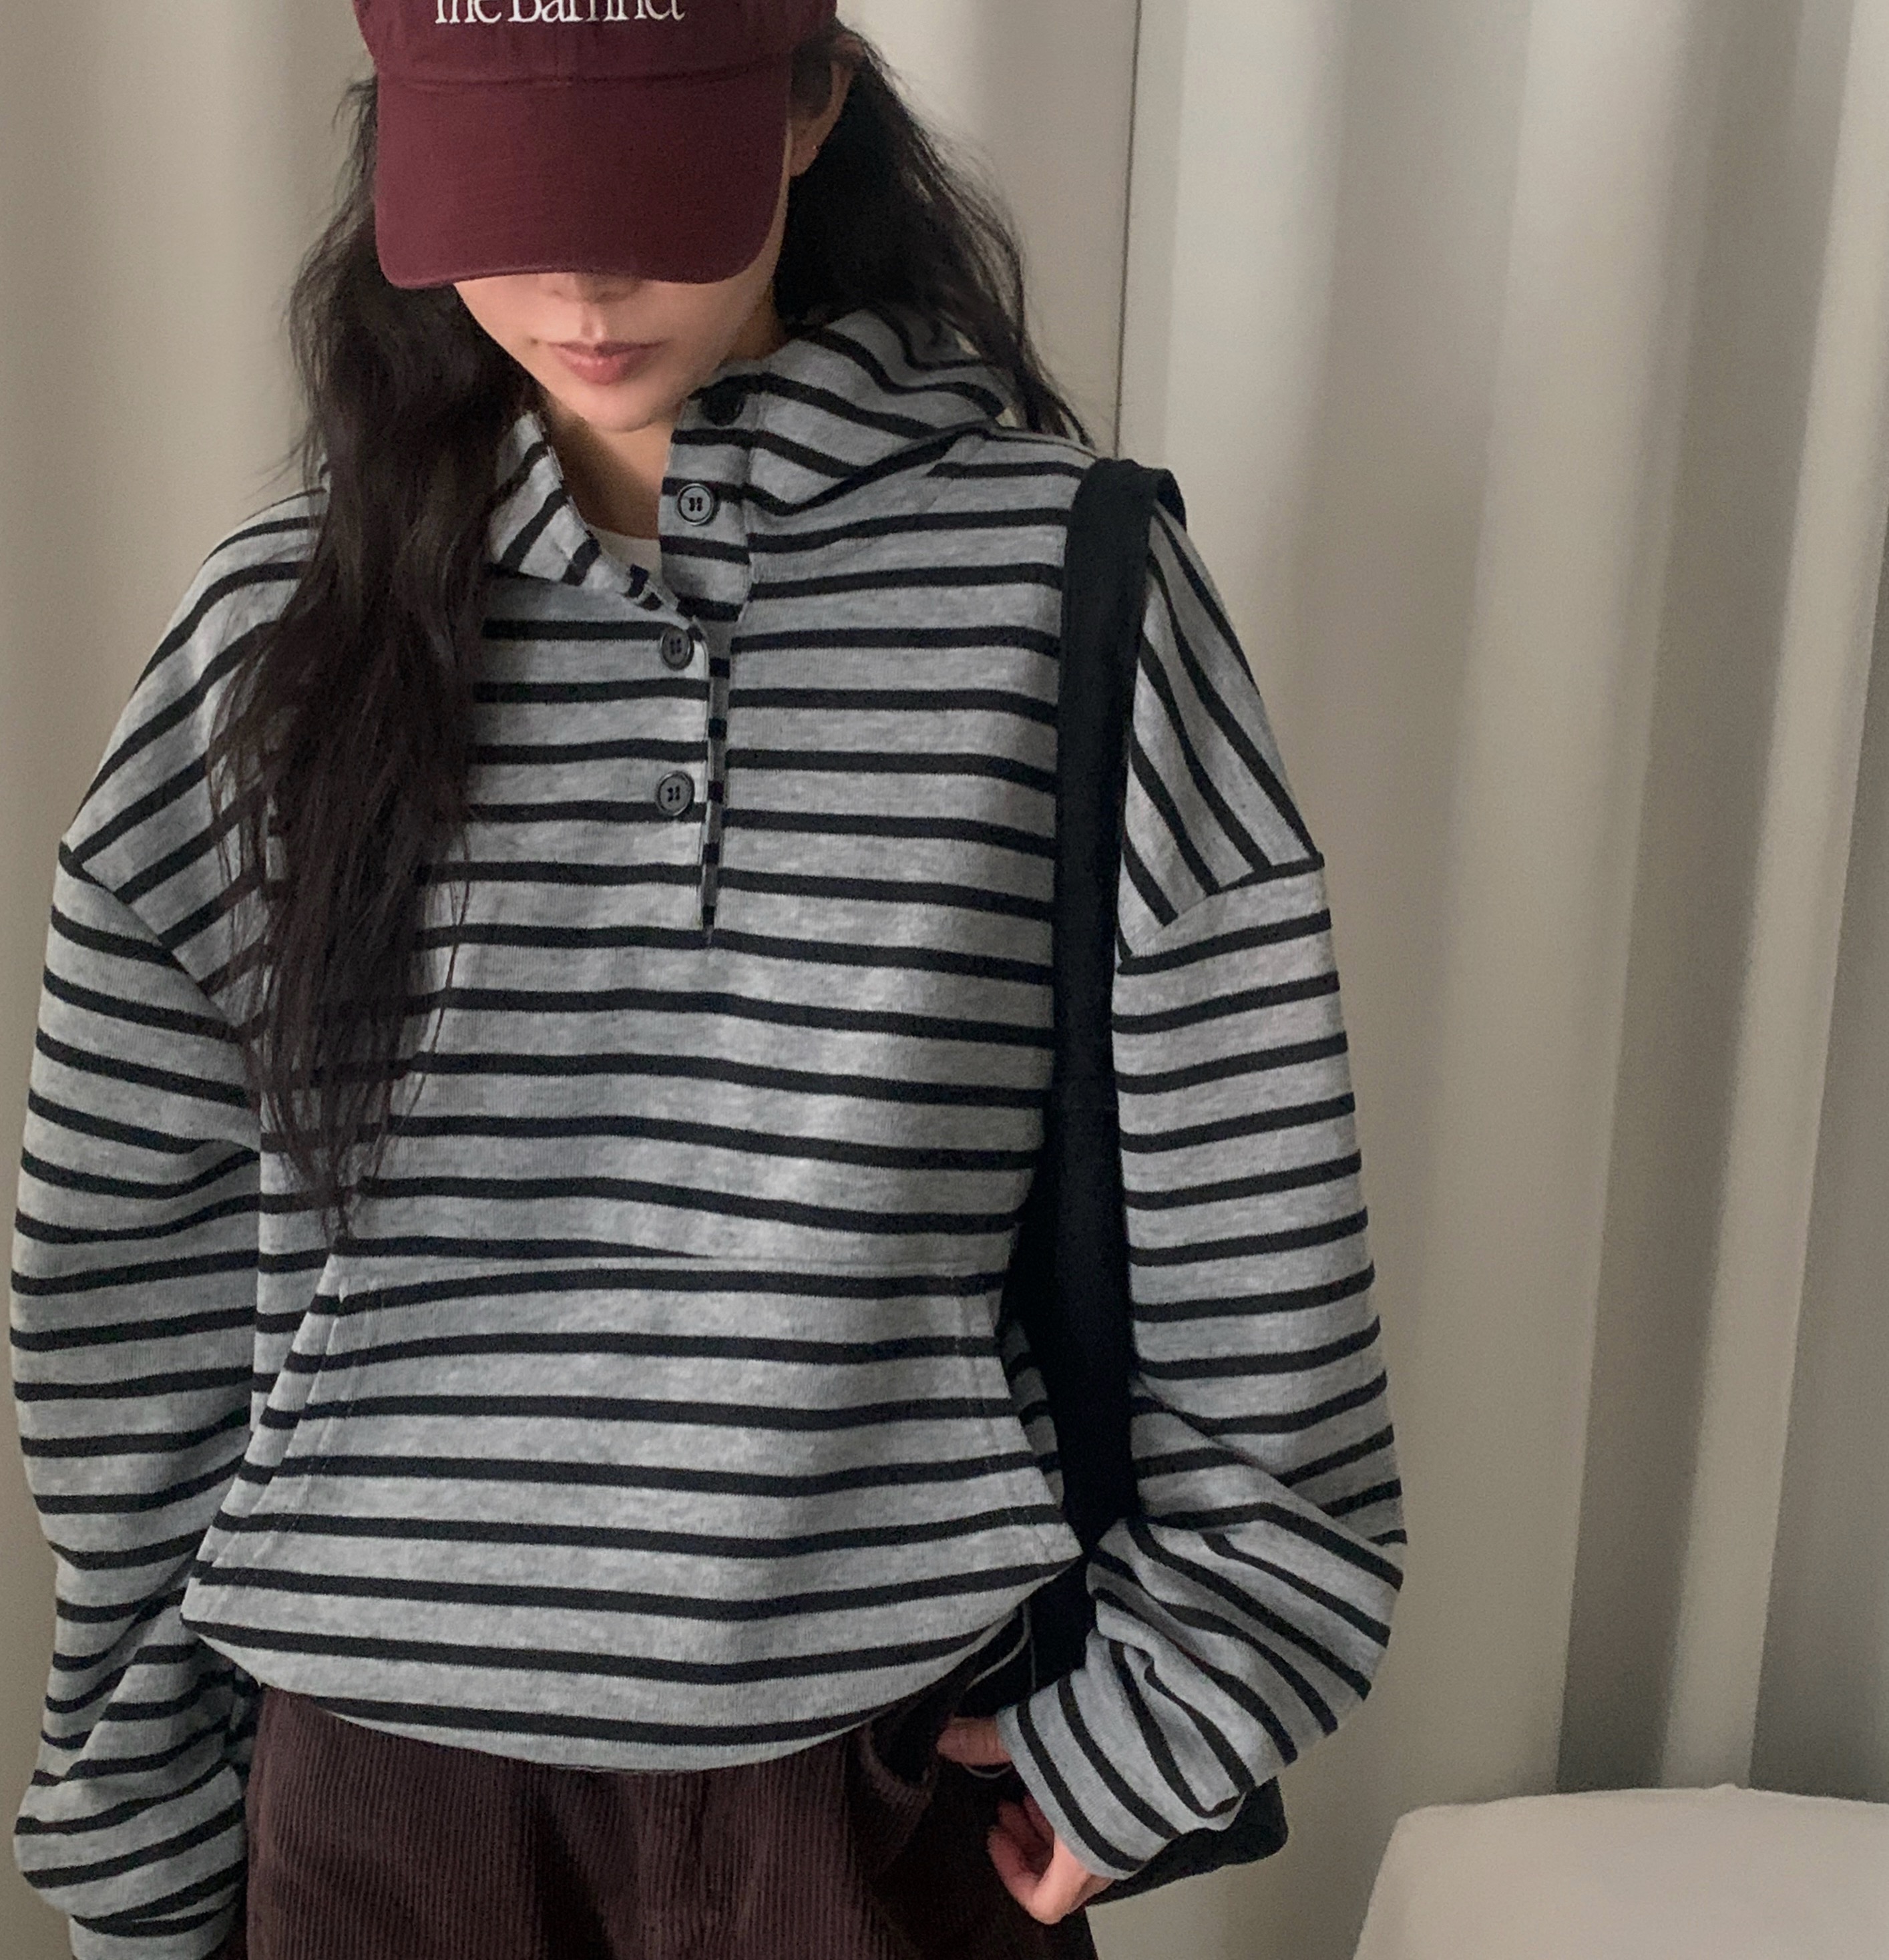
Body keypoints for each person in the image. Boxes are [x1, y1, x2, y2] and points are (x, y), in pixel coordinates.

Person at [7, 3, 1406, 1957]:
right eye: (514, 202)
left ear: (810, 102)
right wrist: (146, 1835)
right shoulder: (280, 632)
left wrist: (1180, 1707)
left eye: (645, 198)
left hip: (885, 1786)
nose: (581, 290)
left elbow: (1254, 1217)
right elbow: (126, 1295)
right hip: (373, 1805)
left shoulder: (1067, 595)